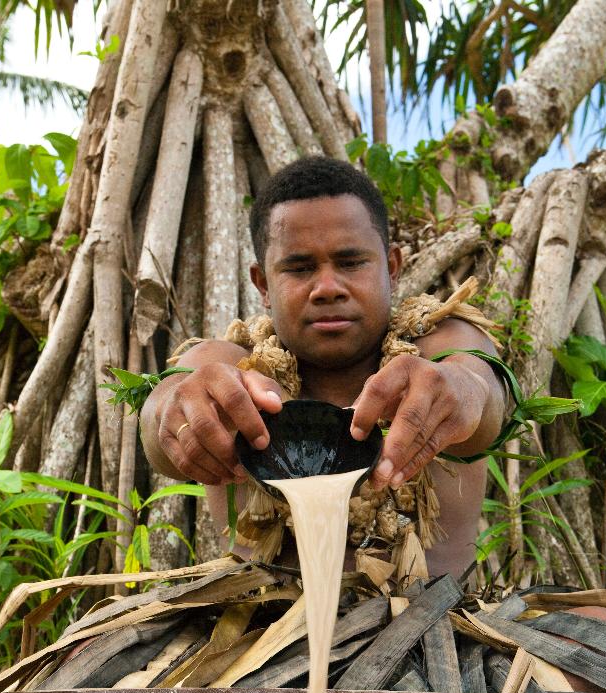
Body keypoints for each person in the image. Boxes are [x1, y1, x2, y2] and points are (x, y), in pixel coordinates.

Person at [140, 156, 510, 576]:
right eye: (299, 268)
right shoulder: (230, 362)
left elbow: (479, 387)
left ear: (391, 266)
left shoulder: (442, 342)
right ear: (262, 283)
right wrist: (181, 408)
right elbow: (165, 408)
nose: (328, 288)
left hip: (443, 627)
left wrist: (461, 392)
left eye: (351, 263)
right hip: (261, 629)